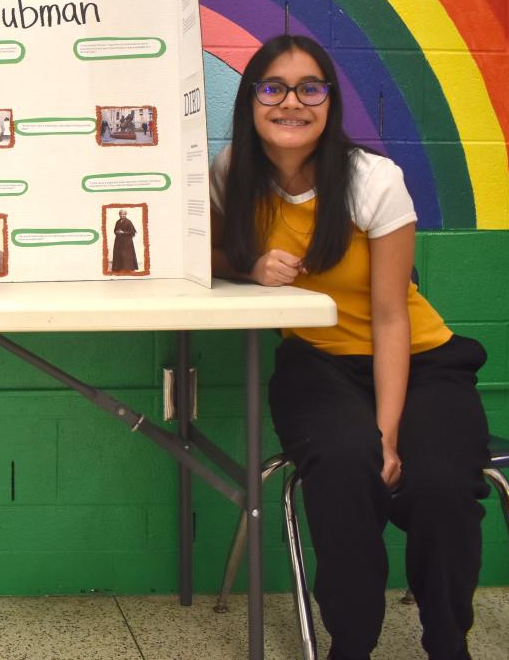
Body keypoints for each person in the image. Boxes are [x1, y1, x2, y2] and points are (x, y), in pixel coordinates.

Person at [210, 34, 489, 660]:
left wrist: (387, 434)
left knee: (441, 484)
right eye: (273, 88)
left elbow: (392, 317)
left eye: (310, 88)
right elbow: (207, 254)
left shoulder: (371, 180)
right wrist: (250, 267)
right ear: (251, 100)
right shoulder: (233, 172)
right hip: (317, 365)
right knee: (341, 467)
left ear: (329, 102)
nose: (291, 102)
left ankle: (449, 644)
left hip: (421, 363)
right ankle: (352, 644)